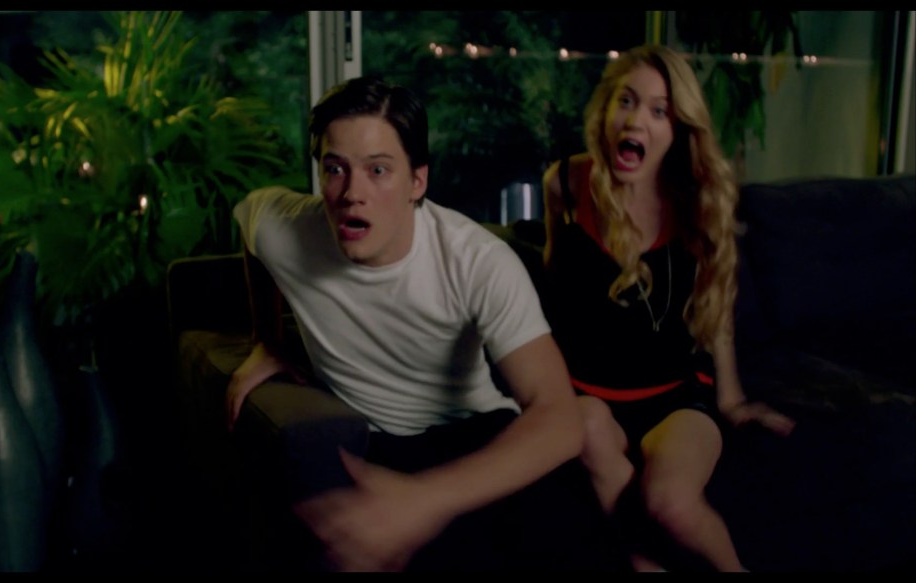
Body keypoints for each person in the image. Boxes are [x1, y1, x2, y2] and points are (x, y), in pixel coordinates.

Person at [225, 75, 627, 572]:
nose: (352, 193)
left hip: (483, 434)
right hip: (384, 448)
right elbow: (249, 222)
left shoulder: (477, 260)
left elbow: (559, 419)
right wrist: (267, 338)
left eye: (378, 170)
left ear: (417, 182)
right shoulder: (287, 228)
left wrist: (426, 499)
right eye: (335, 169)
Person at [540, 44, 796, 572]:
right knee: (585, 429)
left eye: (659, 111)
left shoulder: (695, 202)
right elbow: (551, 290)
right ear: (605, 109)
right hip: (588, 398)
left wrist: (732, 399)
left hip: (674, 398)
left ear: (678, 130)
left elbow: (716, 309)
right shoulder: (563, 184)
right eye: (626, 101)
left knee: (670, 502)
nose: (637, 120)